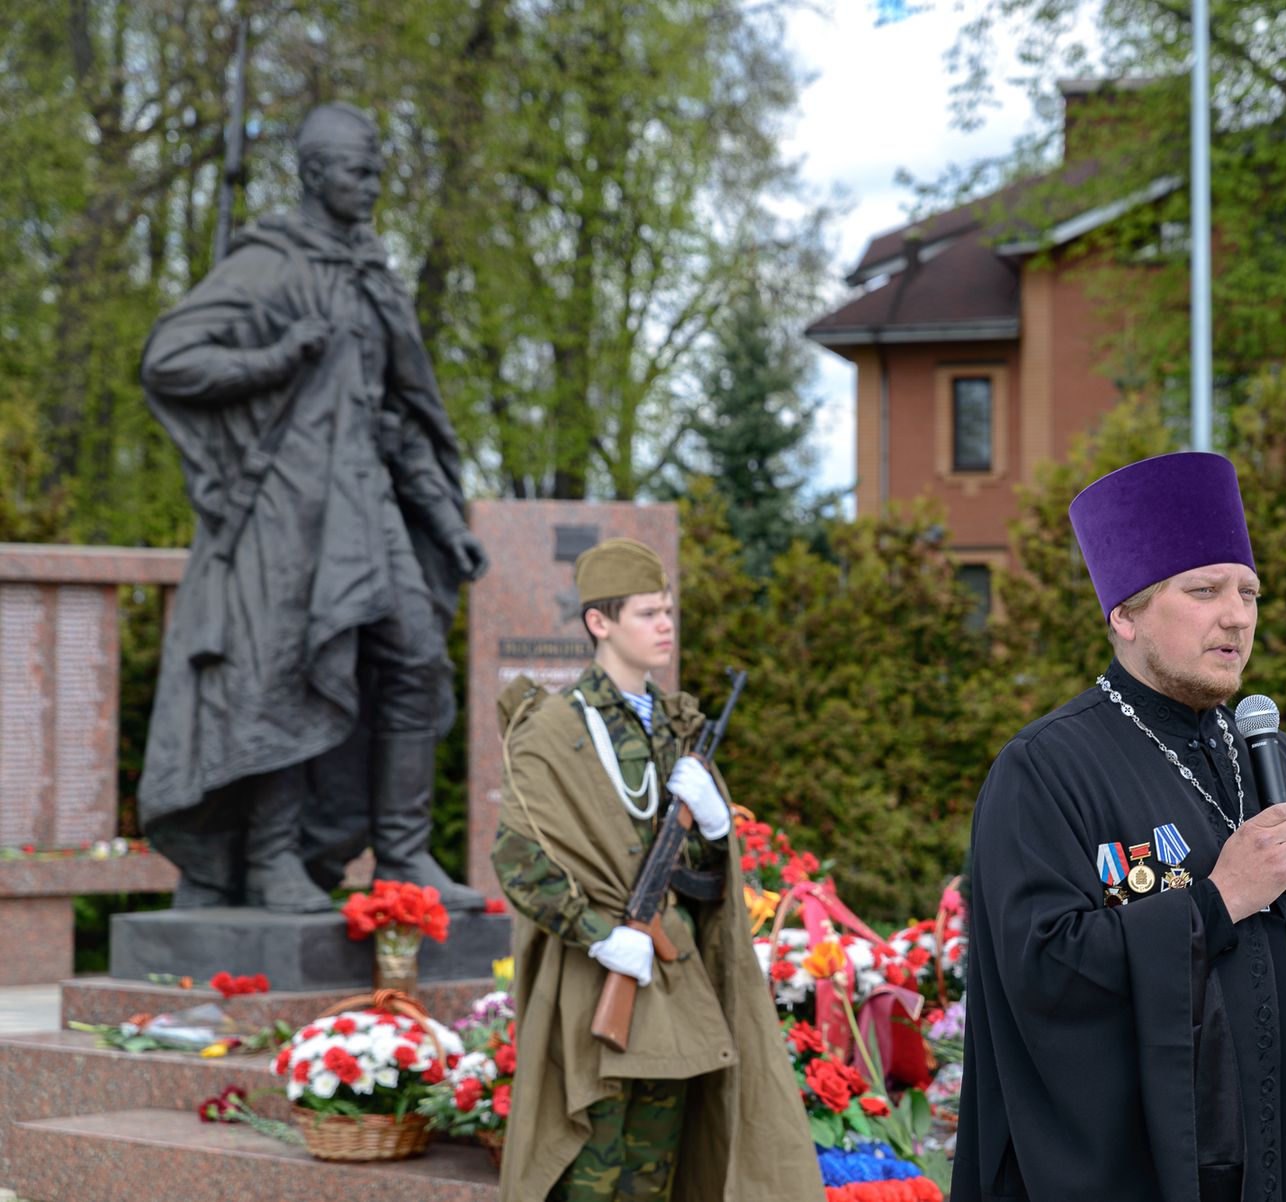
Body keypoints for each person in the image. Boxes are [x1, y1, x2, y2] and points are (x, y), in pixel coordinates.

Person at [952, 452, 1286, 1202]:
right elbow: (1039, 972)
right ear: (1125, 614)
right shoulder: (1045, 769)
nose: (1236, 615)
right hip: (1155, 1175)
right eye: (1203, 591)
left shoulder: (1283, 761)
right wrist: (1215, 901)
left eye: (1248, 592)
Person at [138, 102, 489, 912]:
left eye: (375, 171)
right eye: (355, 171)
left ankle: (402, 858)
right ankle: (269, 862)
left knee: (415, 659)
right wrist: (273, 357)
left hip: (369, 505)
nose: (370, 186)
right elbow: (171, 359)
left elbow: (399, 415)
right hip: (288, 510)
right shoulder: (269, 264)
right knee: (285, 678)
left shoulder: (373, 275)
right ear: (312, 174)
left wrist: (442, 518)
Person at [492, 537, 821, 1202]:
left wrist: (717, 825)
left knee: (655, 1174)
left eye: (668, 610)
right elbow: (519, 857)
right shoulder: (555, 728)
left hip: (674, 984)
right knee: (591, 1168)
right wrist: (597, 933)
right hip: (598, 977)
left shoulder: (674, 726)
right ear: (599, 623)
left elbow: (699, 872)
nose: (666, 625)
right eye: (647, 613)